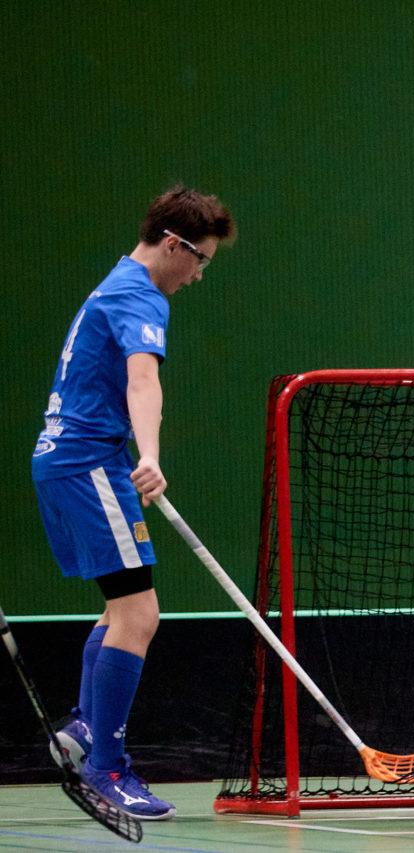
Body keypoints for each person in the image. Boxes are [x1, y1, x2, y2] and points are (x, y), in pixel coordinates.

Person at [31, 186, 236, 820]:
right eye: (199, 259)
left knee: (120, 610)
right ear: (173, 246)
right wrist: (149, 455)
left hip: (71, 461)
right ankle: (108, 769)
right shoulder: (138, 294)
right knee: (139, 618)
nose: (199, 275)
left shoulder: (116, 282)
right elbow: (142, 378)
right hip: (92, 464)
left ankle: (89, 726)